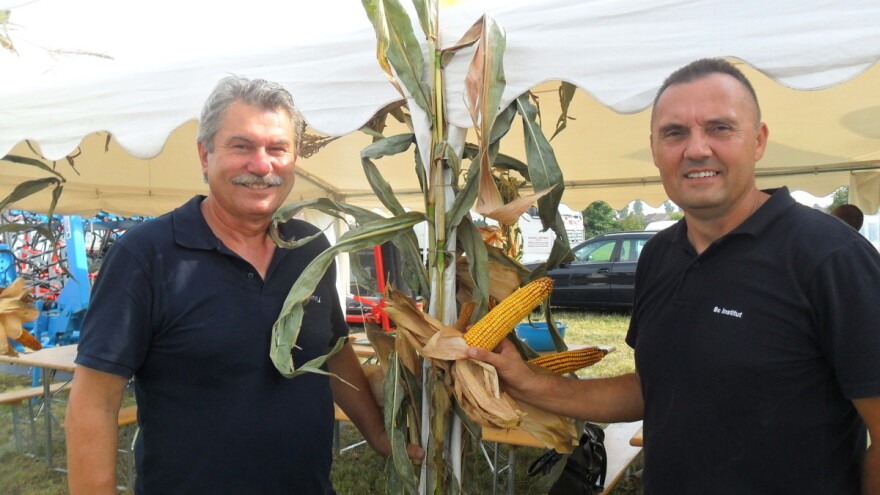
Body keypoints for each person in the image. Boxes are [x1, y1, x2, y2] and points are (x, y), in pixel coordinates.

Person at [469, 58, 880, 494]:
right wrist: (528, 381)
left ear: (758, 141)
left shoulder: (832, 258)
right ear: (655, 148)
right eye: (675, 132)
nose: (697, 149)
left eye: (720, 128)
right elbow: (654, 389)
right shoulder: (659, 256)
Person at [65, 75, 421, 495]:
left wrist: (378, 433)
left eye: (277, 149)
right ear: (204, 155)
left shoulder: (310, 248)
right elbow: (94, 402)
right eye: (242, 146)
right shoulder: (146, 257)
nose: (262, 165)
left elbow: (333, 350)